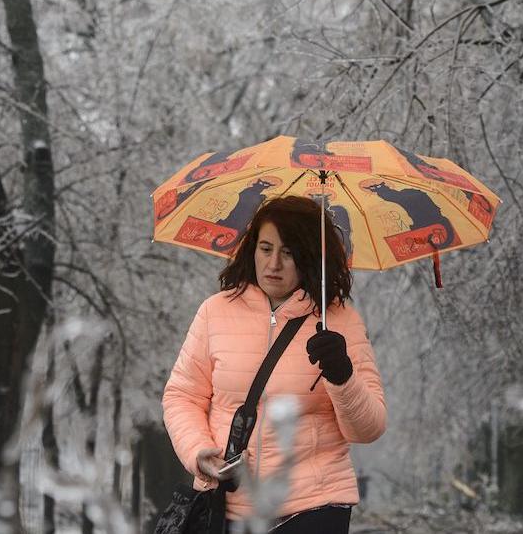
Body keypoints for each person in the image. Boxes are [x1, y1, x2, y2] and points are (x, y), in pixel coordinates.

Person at [162, 195, 388, 533]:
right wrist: (198, 452)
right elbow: (182, 395)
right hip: (228, 506)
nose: (274, 264)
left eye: (289, 252)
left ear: (311, 257)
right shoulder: (215, 311)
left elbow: (369, 428)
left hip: (314, 506)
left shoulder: (340, 320)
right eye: (266, 249)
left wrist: (343, 377)